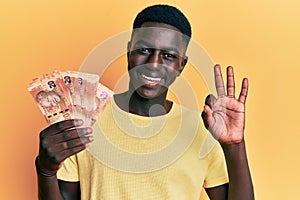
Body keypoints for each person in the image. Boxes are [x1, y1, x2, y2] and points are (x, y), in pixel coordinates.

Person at [35, 4, 254, 200]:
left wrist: (235, 146)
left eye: (168, 55)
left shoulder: (201, 130)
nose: (153, 64)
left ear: (181, 65)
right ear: (129, 51)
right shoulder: (85, 117)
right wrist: (45, 170)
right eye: (145, 50)